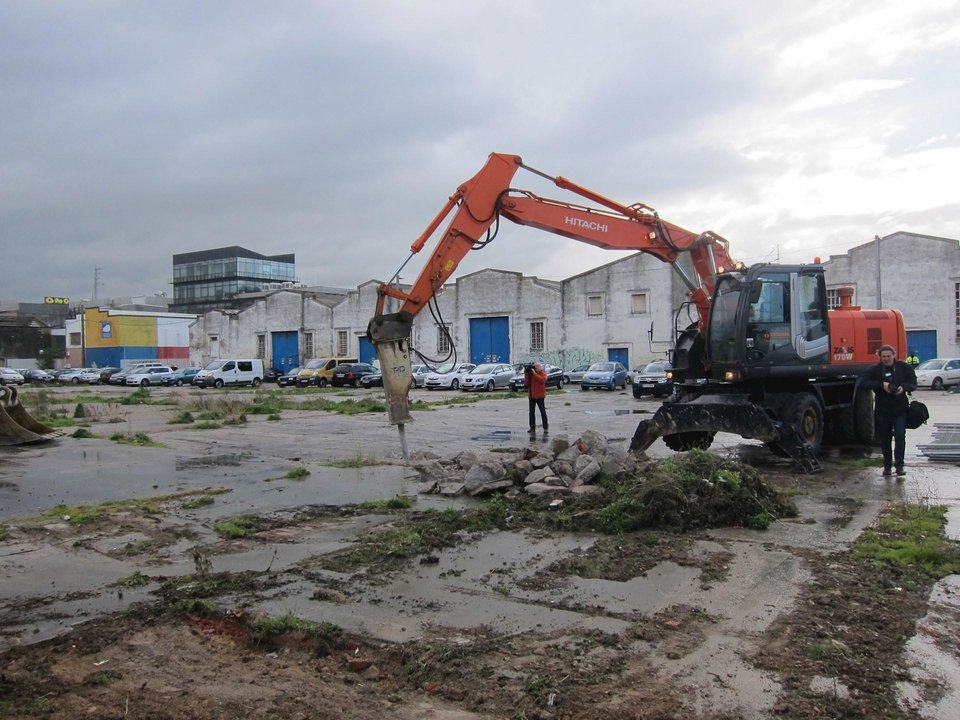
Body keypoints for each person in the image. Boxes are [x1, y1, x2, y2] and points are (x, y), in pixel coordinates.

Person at [860, 345, 917, 477]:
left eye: (888, 356)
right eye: (883, 356)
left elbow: (913, 383)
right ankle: (887, 466)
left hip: (900, 408)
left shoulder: (903, 367)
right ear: (880, 357)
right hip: (883, 409)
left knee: (899, 436)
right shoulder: (875, 370)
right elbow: (862, 382)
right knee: (885, 439)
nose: (886, 359)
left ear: (894, 355)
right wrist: (882, 385)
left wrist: (903, 388)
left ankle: (899, 466)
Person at [526, 362, 549, 435]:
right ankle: (532, 428)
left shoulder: (542, 373)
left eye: (538, 367)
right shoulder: (531, 374)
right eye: (535, 367)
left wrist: (534, 374)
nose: (536, 368)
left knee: (542, 412)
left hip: (540, 396)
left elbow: (542, 380)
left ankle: (545, 427)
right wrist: (526, 373)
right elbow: (526, 383)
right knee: (531, 413)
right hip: (531, 395)